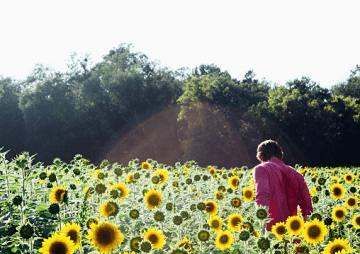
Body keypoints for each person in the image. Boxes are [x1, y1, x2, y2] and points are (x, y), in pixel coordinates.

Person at [254, 140, 312, 231]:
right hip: (292, 229)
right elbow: (306, 203)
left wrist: (262, 227)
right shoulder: (296, 173)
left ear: (261, 156)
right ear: (280, 154)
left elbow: (262, 196)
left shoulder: (262, 169)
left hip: (271, 230)